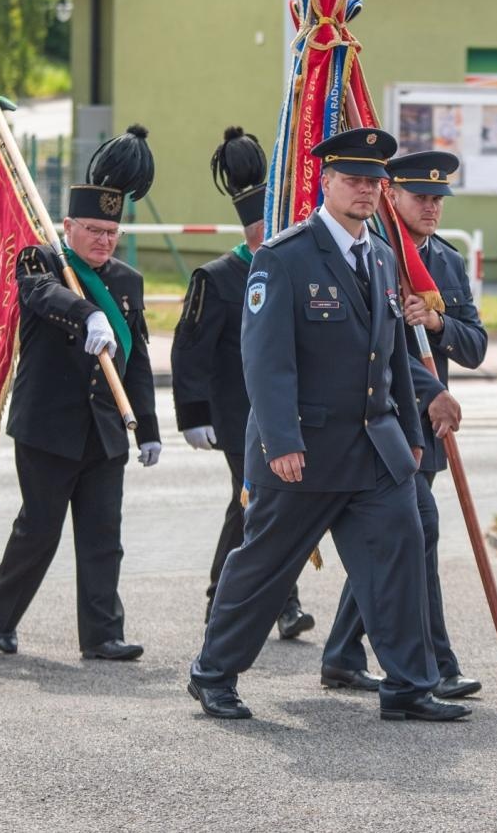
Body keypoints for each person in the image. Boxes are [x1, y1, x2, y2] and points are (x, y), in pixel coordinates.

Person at [190, 127, 468, 724]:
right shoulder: (283, 258)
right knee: (264, 566)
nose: (366, 190)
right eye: (354, 179)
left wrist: (415, 432)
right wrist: (281, 440)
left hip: (374, 449)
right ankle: (213, 673)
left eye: (374, 181)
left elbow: (390, 354)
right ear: (327, 182)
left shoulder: (382, 256)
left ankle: (409, 685)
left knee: (401, 553)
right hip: (304, 451)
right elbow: (265, 361)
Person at [0, 125, 160, 661]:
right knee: (39, 530)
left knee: (104, 534)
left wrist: (149, 428)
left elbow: (139, 358)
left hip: (105, 429)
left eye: (111, 231)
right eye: (92, 230)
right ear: (68, 226)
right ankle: (4, 611)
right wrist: (86, 314)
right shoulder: (42, 261)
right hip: (49, 426)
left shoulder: (128, 281)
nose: (103, 240)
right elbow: (39, 296)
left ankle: (103, 633)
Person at [320, 149, 484, 699]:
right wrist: (430, 388)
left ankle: (343, 654)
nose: (433, 208)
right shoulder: (374, 253)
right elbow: (373, 352)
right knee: (417, 533)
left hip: (429, 430)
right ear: (392, 196)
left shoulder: (448, 260)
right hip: (385, 424)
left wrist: (438, 321)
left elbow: (476, 345)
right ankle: (437, 663)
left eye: (439, 199)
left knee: (395, 544)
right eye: (422, 197)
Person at [172, 127, 312, 638]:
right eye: (256, 230)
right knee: (255, 500)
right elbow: (188, 350)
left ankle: (262, 601)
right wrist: (193, 415)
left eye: (270, 228)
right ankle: (237, 599)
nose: (263, 239)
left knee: (274, 503)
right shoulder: (220, 277)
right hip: (237, 417)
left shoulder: (297, 271)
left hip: (290, 410)